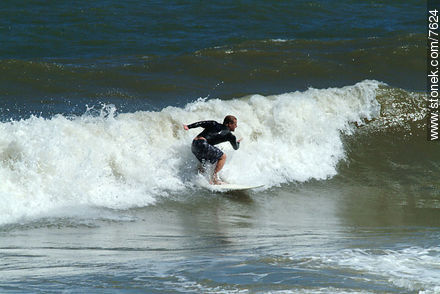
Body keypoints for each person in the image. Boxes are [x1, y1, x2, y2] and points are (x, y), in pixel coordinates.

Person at [183, 115, 242, 185]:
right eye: (235, 124)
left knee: (205, 163)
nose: (236, 126)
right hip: (203, 144)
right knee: (223, 157)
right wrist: (238, 142)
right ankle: (214, 179)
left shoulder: (214, 123)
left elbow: (201, 123)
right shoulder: (231, 136)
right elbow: (236, 147)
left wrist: (188, 126)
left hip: (194, 144)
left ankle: (199, 180)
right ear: (229, 124)